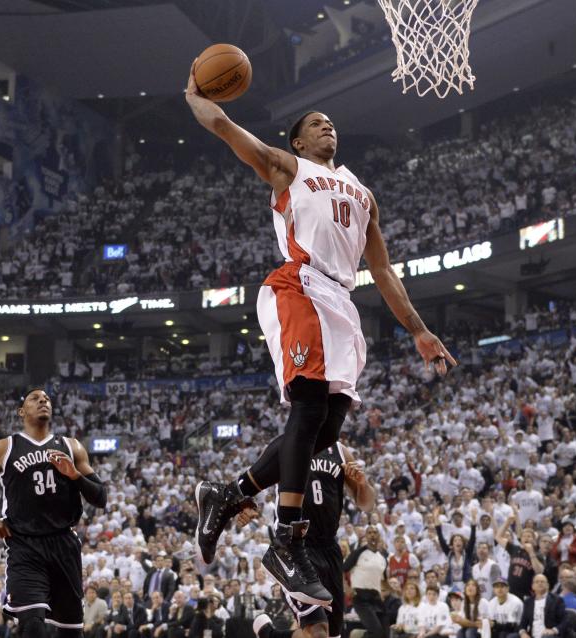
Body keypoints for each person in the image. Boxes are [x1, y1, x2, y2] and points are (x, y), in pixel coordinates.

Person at [185, 56, 456, 609]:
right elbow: (222, 126)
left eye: (330, 121)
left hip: (342, 300)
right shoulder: (288, 169)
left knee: (326, 432)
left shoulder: (361, 192)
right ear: (299, 143)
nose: (326, 125)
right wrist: (193, 91)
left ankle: (226, 495)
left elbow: (381, 270)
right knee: (307, 407)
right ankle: (287, 538)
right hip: (299, 284)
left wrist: (419, 330)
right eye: (314, 123)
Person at [0, 389, 108, 638]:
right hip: (24, 545)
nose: (43, 400)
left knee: (71, 632)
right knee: (32, 625)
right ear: (22, 412)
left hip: (64, 544)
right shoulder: (3, 448)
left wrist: (74, 474)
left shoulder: (71, 446)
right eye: (35, 398)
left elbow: (100, 497)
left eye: (47, 399)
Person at [249, 442, 376, 638]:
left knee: (331, 634)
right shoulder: (284, 445)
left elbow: (367, 505)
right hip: (296, 547)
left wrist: (362, 483)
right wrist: (244, 506)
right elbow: (253, 481)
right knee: (318, 631)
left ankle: (270, 634)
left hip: (329, 548)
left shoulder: (341, 452)